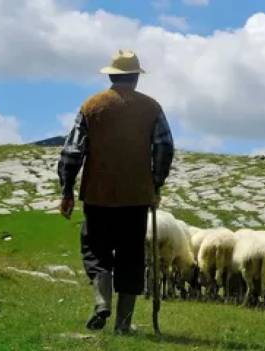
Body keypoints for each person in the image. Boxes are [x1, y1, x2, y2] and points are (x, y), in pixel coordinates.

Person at [57, 50, 174, 334]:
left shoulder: (92, 106)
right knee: (131, 255)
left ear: (111, 75)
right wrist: (155, 184)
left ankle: (101, 302)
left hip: (98, 195)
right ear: (135, 78)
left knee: (95, 251)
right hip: (135, 197)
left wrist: (67, 190)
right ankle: (123, 324)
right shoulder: (152, 108)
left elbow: (73, 151)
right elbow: (164, 148)